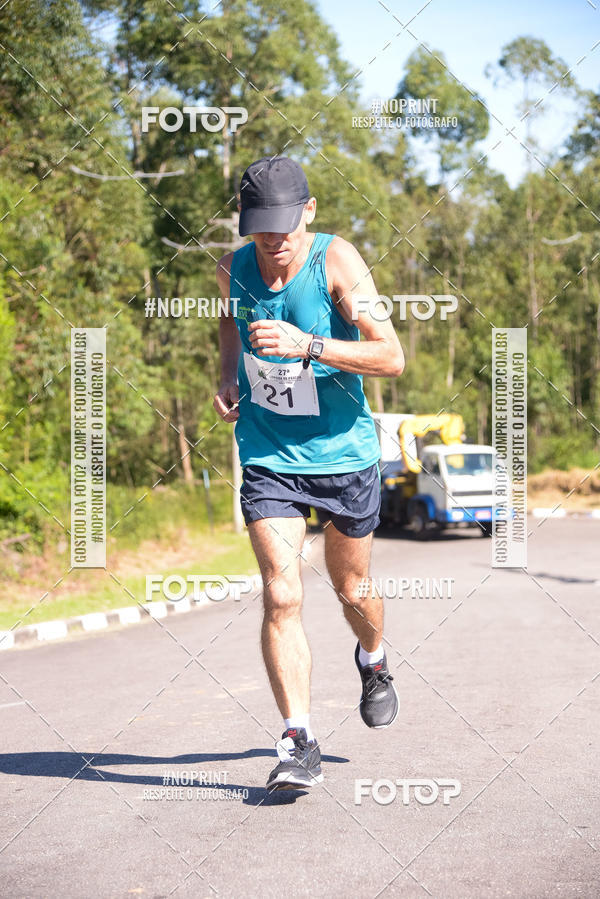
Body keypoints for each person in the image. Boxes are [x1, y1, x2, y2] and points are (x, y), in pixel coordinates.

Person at [213, 156, 404, 791]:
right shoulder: (234, 266)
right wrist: (225, 377)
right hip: (269, 456)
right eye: (261, 227)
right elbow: (227, 325)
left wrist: (310, 345)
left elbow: (391, 355)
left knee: (353, 591)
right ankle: (299, 739)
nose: (275, 240)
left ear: (310, 212)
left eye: (286, 225)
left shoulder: (338, 262)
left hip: (345, 457)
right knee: (282, 592)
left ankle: (373, 659)